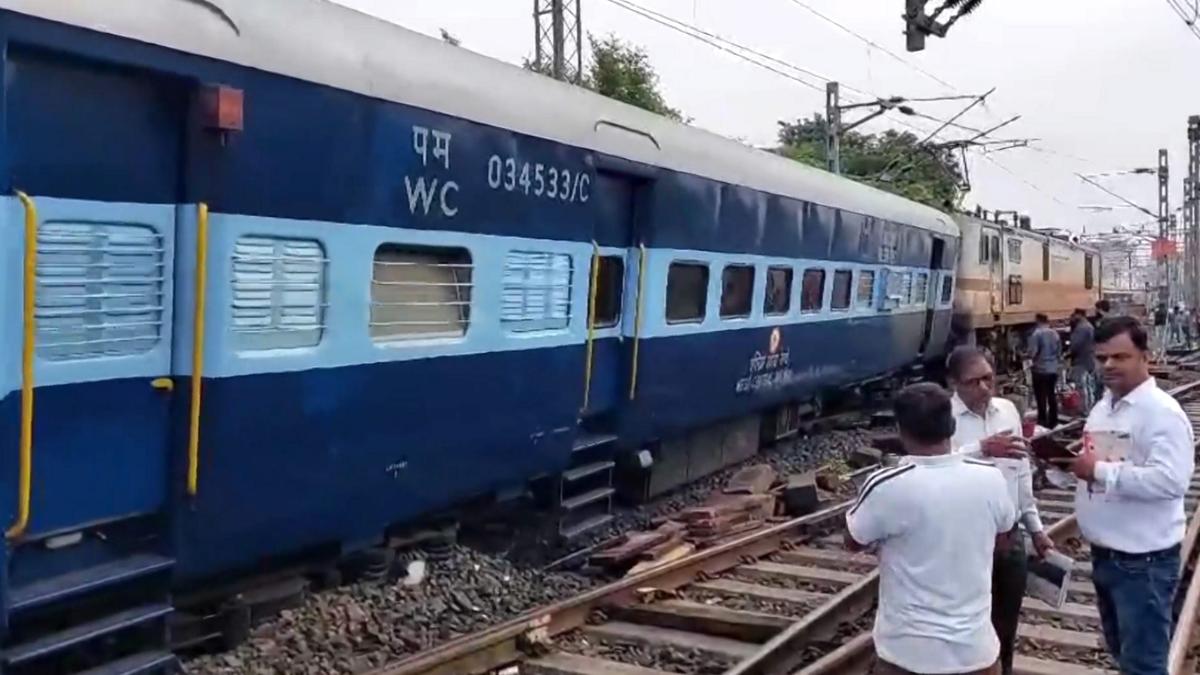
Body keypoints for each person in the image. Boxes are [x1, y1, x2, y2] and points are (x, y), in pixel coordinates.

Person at [847, 383, 1015, 675]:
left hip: (906, 655)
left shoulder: (886, 484)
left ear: (901, 430)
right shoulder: (991, 479)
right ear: (950, 425)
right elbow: (1004, 540)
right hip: (975, 652)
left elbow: (854, 540)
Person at [1071, 316, 1194, 675]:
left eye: (1120, 357)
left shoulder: (1162, 414)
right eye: (1102, 358)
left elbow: (1170, 482)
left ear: (1145, 355)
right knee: (1123, 655)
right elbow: (1106, 467)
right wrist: (1068, 468)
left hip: (1144, 563)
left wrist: (1097, 471)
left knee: (1144, 664)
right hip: (1107, 556)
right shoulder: (1102, 409)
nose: (1108, 365)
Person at [1027, 314, 1061, 428]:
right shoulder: (1055, 334)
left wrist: (1025, 356)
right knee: (1051, 395)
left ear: (1038, 321)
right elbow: (1059, 351)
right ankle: (1054, 420)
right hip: (1053, 369)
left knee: (1041, 396)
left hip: (1040, 370)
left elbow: (1033, 352)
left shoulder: (1037, 334)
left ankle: (1042, 421)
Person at [1068, 309, 1099, 411]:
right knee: (1089, 385)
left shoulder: (1081, 328)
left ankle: (1085, 409)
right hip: (1089, 359)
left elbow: (1075, 344)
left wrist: (1068, 353)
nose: (1072, 317)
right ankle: (1090, 407)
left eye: (1074, 315)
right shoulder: (1089, 326)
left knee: (1082, 386)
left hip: (1081, 360)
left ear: (1079, 315)